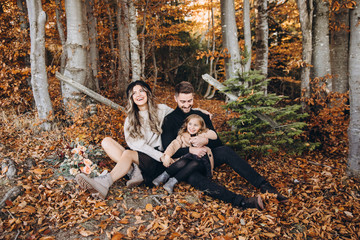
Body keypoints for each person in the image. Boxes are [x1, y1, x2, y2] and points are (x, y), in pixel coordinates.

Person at [161, 81, 288, 210]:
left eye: (190, 101)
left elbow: (218, 143)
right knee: (194, 178)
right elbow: (169, 149)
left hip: (207, 157)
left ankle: (266, 186)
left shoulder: (201, 116)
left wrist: (205, 141)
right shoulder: (169, 120)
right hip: (186, 165)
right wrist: (191, 149)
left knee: (225, 151)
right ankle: (243, 202)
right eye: (183, 101)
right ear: (175, 98)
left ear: (193, 97)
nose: (187, 105)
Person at [75, 80, 172, 199]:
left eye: (141, 91)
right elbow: (135, 144)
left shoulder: (162, 110)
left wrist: (200, 115)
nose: (138, 95)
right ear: (131, 98)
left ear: (148, 93)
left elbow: (183, 115)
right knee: (106, 141)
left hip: (155, 160)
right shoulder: (130, 119)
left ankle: (105, 183)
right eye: (134, 93)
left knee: (128, 153)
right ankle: (134, 172)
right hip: (139, 156)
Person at [152, 114, 217, 194]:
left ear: (201, 127)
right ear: (186, 124)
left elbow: (214, 135)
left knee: (195, 163)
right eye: (190, 124)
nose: (192, 127)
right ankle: (164, 176)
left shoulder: (203, 134)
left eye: (196, 125)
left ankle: (172, 182)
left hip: (202, 164)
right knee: (184, 161)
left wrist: (203, 138)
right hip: (186, 163)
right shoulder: (182, 136)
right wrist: (167, 156)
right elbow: (174, 145)